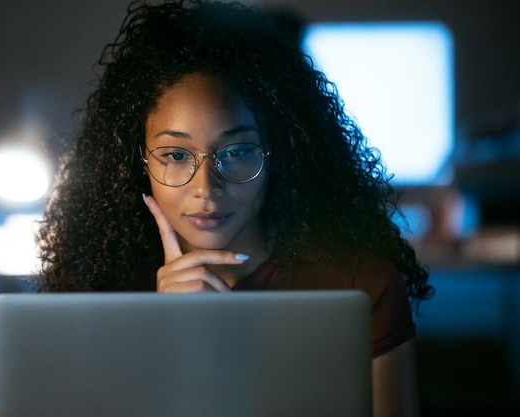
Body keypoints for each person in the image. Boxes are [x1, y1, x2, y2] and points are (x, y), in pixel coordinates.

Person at [36, 0, 434, 415]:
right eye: (175, 155)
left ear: (278, 152)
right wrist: (160, 338)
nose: (207, 188)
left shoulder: (359, 284)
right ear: (137, 163)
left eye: (237, 151)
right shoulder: (102, 293)